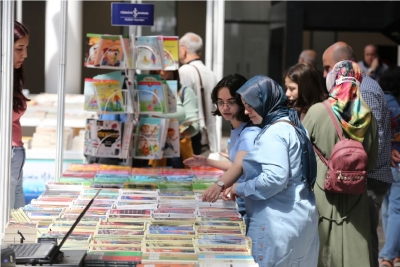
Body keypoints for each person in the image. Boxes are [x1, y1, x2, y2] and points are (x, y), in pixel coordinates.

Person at [202, 75, 319, 267]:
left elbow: (274, 179)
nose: (247, 112)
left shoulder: (275, 132)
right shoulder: (293, 124)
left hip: (277, 223)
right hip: (300, 218)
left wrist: (240, 187)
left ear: (265, 101)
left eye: (250, 105)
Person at [322, 41, 392, 267]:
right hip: (365, 176)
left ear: (341, 66)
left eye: (327, 67)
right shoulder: (354, 87)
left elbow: (376, 138)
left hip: (369, 178)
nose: (324, 74)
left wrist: (356, 169)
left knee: (363, 239)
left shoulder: (364, 89)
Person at [302, 60, 379, 266]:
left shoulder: (318, 112)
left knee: (322, 252)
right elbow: (370, 163)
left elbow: (300, 154)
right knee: (356, 251)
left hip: (322, 192)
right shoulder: (368, 116)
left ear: (334, 80)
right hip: (356, 194)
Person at [184, 74, 261, 219]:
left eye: (231, 102)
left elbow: (238, 166)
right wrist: (206, 161)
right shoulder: (237, 128)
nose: (224, 107)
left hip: (250, 205)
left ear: (242, 101)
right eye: (220, 102)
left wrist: (219, 184)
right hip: (239, 199)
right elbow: (238, 165)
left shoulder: (249, 132)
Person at [149, 70, 200, 168]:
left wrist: (181, 135)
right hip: (151, 146)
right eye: (160, 78)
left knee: (176, 179)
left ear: (175, 77)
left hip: (177, 151)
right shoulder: (147, 92)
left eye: (169, 78)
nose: (164, 82)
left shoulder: (185, 92)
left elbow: (195, 125)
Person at [178, 32, 218, 155]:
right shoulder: (210, 73)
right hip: (209, 139)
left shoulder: (184, 71)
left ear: (184, 50)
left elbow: (181, 104)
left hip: (191, 138)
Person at [378, 66, 400, 267]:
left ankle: (391, 252)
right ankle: (389, 254)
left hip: (381, 160)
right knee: (396, 209)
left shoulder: (377, 101)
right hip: (398, 160)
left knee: (386, 209)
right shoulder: (398, 103)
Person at [11, 21, 30, 209]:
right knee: (7, 218)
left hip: (16, 154)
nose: (24, 55)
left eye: (26, 48)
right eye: (19, 48)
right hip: (7, 154)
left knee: (17, 221)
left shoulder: (13, 77)